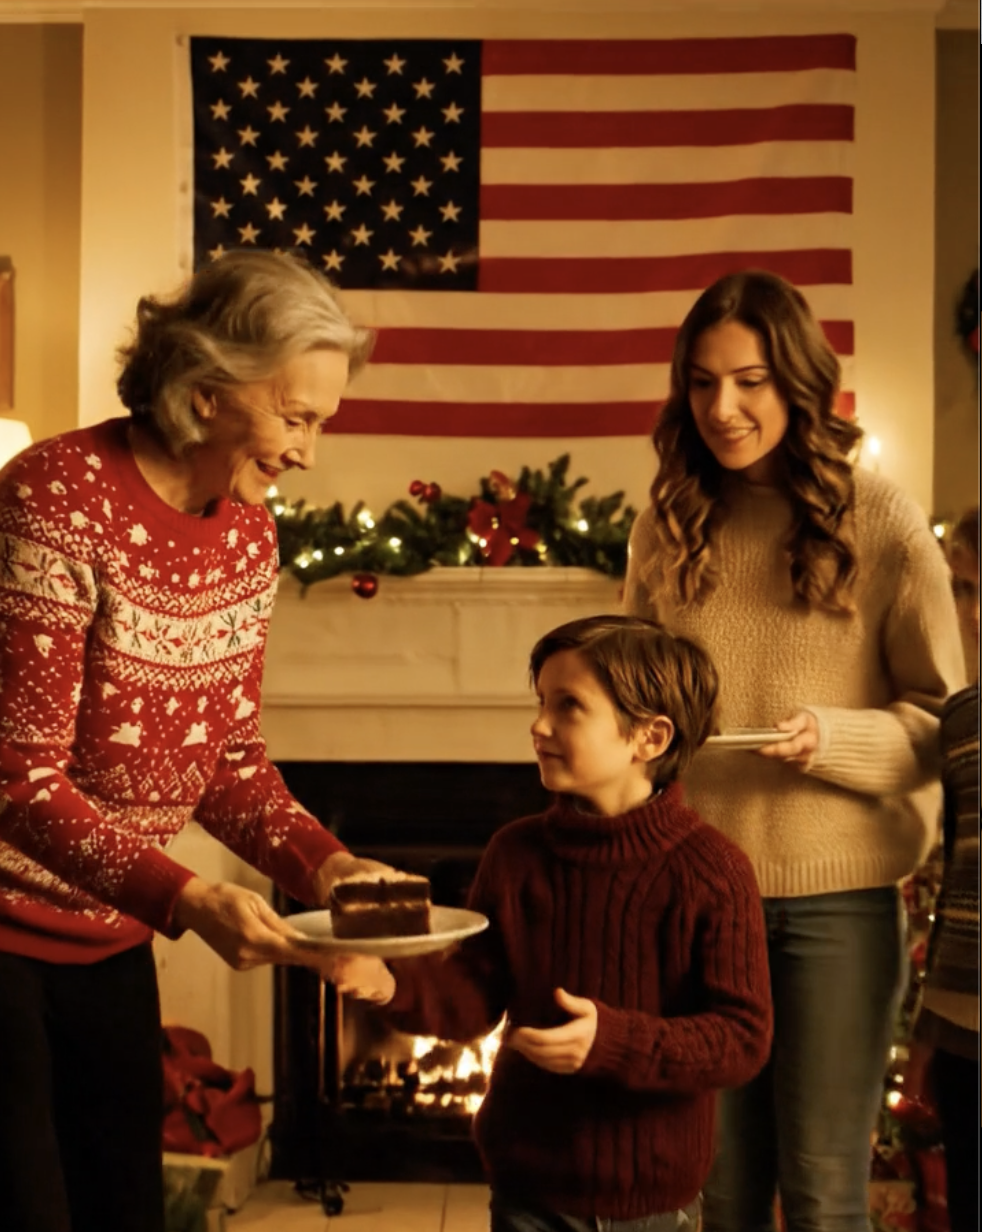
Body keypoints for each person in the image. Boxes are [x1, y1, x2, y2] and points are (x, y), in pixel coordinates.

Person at [0, 249, 394, 1232]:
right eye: (296, 417)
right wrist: (188, 898)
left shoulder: (248, 537)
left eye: (321, 423)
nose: (309, 452)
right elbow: (19, 778)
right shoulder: (55, 495)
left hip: (111, 943)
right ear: (208, 388)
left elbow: (226, 763)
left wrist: (331, 868)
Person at [621, 269, 966, 1232]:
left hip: (838, 911)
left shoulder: (882, 519)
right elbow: (632, 711)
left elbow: (943, 722)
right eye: (702, 383)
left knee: (821, 1196)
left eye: (750, 381)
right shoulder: (666, 525)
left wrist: (832, 738)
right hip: (697, 904)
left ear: (800, 382)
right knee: (719, 1194)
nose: (722, 409)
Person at [331, 614, 774, 1232]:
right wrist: (389, 984)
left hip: (652, 1204)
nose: (539, 726)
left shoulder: (714, 871)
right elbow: (474, 995)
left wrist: (612, 1042)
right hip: (527, 1189)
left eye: (569, 706)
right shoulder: (515, 853)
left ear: (649, 737)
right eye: (541, 702)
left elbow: (741, 1039)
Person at [907, 506, 979, 1232]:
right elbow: (958, 883)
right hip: (964, 1034)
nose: (976, 614)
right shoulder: (960, 721)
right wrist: (928, 1028)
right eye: (965, 588)